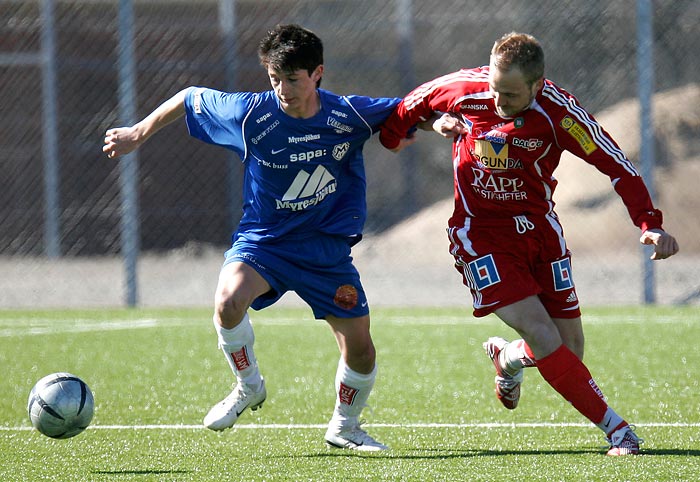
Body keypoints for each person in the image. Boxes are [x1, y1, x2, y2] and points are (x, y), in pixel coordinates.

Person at [103, 24, 403, 451]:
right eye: (274, 78)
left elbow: (409, 109)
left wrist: (442, 121)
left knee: (361, 350)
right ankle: (248, 385)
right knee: (227, 301)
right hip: (265, 243)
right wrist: (138, 132)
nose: (282, 88)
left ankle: (345, 426)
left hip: (325, 251)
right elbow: (189, 97)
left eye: (292, 79)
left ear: (318, 73)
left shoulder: (347, 115)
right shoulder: (251, 114)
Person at [379, 32, 679, 456]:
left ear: (537, 85)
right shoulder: (462, 89)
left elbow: (616, 164)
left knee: (569, 348)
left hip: (540, 233)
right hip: (480, 234)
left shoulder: (560, 113)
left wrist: (649, 222)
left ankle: (509, 359)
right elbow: (399, 118)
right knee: (542, 332)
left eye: (511, 94)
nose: (499, 101)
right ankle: (617, 430)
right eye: (495, 89)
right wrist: (423, 127)